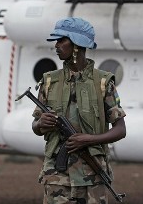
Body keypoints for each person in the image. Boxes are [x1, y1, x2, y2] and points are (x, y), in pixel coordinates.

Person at [31, 17, 126, 204]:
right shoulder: (49, 81)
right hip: (56, 178)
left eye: (61, 40)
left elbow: (120, 129)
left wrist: (90, 139)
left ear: (76, 44)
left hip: (92, 176)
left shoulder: (103, 82)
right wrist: (40, 123)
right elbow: (35, 127)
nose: (56, 46)